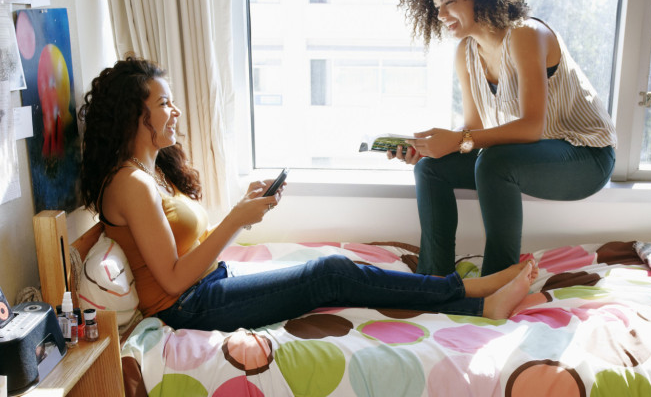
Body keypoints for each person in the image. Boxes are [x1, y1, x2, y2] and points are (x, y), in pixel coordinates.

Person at [78, 57, 537, 332]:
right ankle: (475, 296)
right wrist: (236, 219)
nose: (175, 110)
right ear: (132, 115)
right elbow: (174, 281)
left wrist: (242, 211)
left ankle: (474, 296)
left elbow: (184, 249)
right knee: (328, 273)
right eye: (163, 103)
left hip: (208, 287)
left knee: (332, 272)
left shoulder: (149, 172)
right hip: (192, 306)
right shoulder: (131, 183)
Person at [392, 0, 617, 277]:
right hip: (527, 160)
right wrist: (431, 149)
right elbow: (474, 131)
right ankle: (434, 279)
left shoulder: (525, 34)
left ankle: (498, 281)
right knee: (430, 169)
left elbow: (530, 128)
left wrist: (457, 140)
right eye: (437, 5)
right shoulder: (466, 53)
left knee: (495, 162)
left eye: (449, 1)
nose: (441, 14)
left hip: (587, 157)